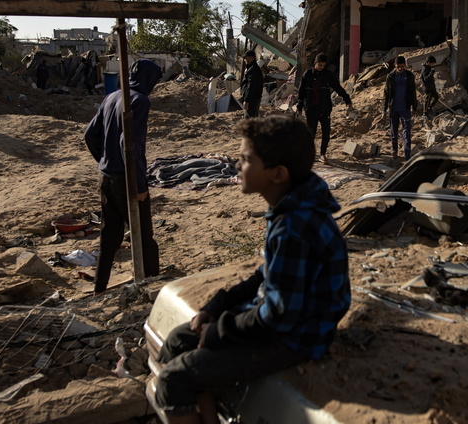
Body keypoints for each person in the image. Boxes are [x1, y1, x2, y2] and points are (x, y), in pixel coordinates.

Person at [151, 115, 351, 424]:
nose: (237, 166)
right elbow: (264, 274)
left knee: (172, 380)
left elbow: (278, 318)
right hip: (279, 319)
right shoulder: (290, 207)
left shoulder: (294, 227)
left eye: (245, 160)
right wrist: (217, 307)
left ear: (277, 174)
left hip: (297, 337)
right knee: (178, 341)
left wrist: (219, 330)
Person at [84, 59, 162, 294]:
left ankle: (100, 286)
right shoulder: (139, 102)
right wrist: (138, 184)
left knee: (109, 236)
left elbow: (90, 135)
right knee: (144, 238)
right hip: (126, 180)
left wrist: (105, 161)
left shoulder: (112, 96)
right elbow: (130, 146)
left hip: (106, 177)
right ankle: (152, 286)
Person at [296, 53, 353, 163]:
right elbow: (301, 92)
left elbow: (337, 87)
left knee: (326, 132)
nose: (321, 67)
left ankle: (323, 154)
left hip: (324, 109)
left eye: (323, 65)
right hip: (311, 109)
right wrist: (299, 106)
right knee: (311, 133)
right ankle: (309, 154)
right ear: (315, 63)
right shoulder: (307, 74)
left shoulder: (328, 75)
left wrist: (347, 99)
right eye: (320, 65)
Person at [383, 55, 418, 161]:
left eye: (402, 66)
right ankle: (394, 151)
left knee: (406, 133)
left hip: (405, 108)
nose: (400, 69)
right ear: (395, 65)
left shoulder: (409, 76)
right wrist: (384, 109)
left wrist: (414, 107)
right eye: (398, 66)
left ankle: (407, 155)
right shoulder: (390, 77)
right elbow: (386, 93)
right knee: (394, 131)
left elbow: (413, 92)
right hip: (393, 108)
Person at [239, 50, 263, 118]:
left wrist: (247, 100)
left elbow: (251, 86)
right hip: (253, 99)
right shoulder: (252, 68)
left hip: (252, 100)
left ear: (250, 58)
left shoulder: (253, 69)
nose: (244, 60)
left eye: (245, 58)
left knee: (249, 121)